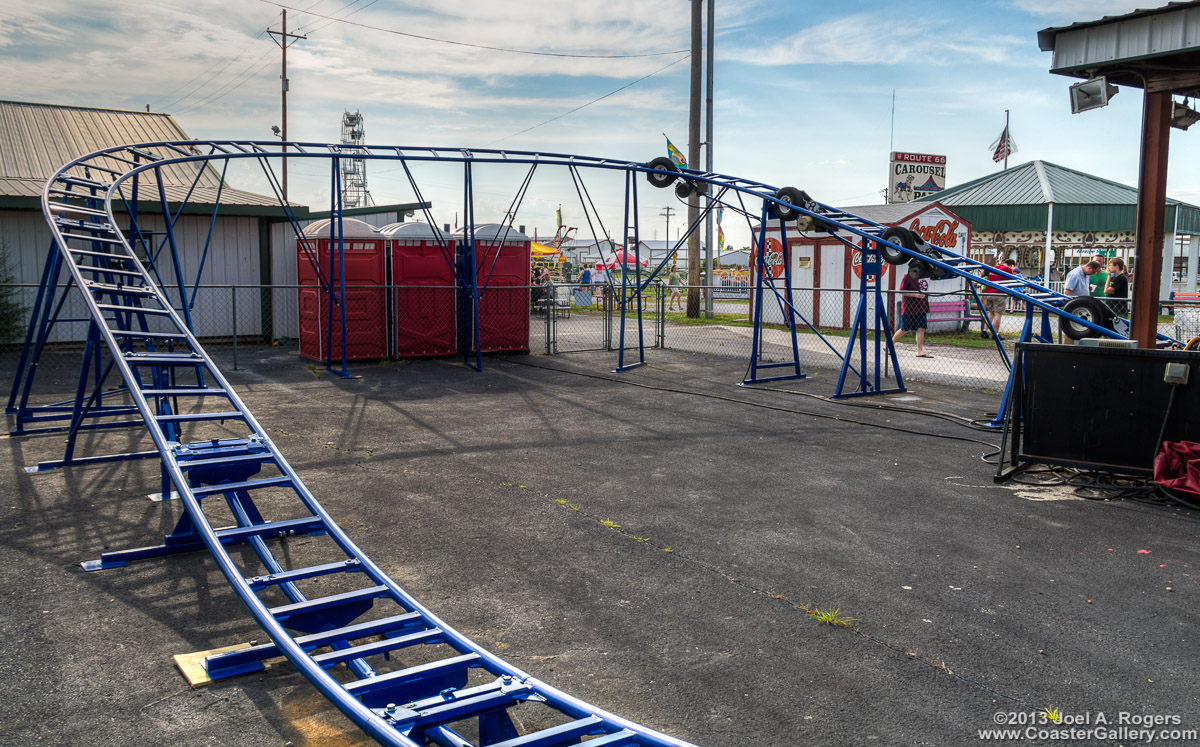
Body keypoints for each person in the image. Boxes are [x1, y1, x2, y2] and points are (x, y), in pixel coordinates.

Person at [892, 272, 932, 357]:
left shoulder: (925, 276)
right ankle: (890, 346)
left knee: (921, 328)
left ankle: (920, 351)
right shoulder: (908, 276)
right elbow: (902, 291)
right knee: (904, 329)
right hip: (909, 308)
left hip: (921, 308)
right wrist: (915, 295)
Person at [981, 254, 1014, 340]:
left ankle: (985, 331)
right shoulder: (1008, 269)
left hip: (988, 293)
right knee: (998, 314)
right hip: (999, 294)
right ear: (1012, 265)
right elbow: (1011, 281)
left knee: (991, 313)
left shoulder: (995, 267)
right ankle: (996, 334)